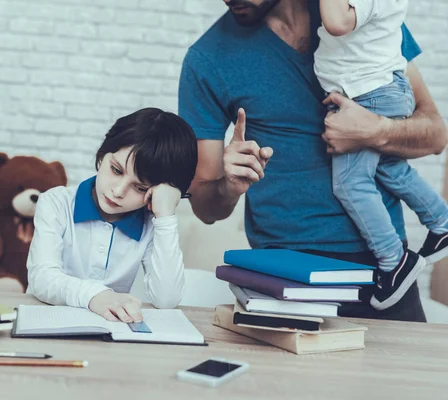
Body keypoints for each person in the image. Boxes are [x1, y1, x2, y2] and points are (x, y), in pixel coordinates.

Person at [178, 0, 447, 322]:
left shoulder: (355, 13)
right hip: (285, 276)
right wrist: (230, 184)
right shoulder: (207, 58)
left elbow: (435, 135)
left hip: (388, 270)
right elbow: (206, 208)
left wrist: (376, 131)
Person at [314, 0, 448, 311]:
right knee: (389, 169)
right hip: (374, 89)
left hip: (371, 93)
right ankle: (441, 222)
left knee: (350, 183)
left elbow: (336, 21)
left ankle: (394, 261)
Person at [27, 108, 198, 323]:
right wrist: (96, 296)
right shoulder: (56, 202)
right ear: (102, 154)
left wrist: (165, 216)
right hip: (44, 324)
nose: (118, 191)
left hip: (108, 337)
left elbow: (167, 299)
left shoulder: (152, 224)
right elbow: (41, 278)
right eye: (116, 170)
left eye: (140, 187)